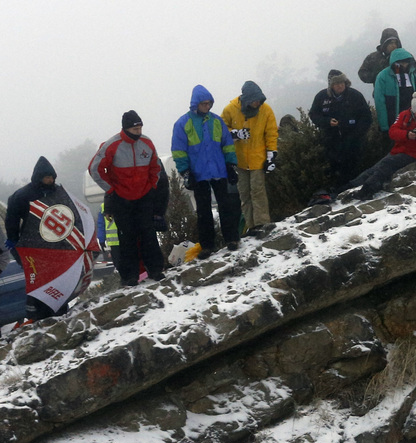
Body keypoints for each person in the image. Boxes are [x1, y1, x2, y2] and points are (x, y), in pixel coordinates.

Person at [5, 157, 99, 317]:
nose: (50, 180)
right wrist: (13, 240)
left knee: (58, 278)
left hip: (59, 246)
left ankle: (60, 310)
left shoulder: (59, 192)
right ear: (38, 177)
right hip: (33, 247)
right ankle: (38, 315)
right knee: (39, 281)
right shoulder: (22, 196)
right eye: (47, 177)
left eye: (52, 177)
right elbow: (12, 220)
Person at [89, 111, 165, 285]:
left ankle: (155, 270)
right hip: (121, 199)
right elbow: (95, 169)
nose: (138, 131)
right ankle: (129, 276)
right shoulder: (112, 145)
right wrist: (111, 189)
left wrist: (152, 186)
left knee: (149, 235)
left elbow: (156, 167)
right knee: (127, 237)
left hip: (144, 197)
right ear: (126, 128)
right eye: (135, 128)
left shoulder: (147, 143)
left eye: (140, 128)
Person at [171, 85, 240, 254]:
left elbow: (227, 144)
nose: (207, 106)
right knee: (203, 211)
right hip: (198, 173)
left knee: (226, 206)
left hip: (219, 171)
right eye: (204, 103)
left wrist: (231, 165)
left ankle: (231, 239)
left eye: (209, 103)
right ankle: (207, 245)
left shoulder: (217, 121)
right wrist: (185, 172)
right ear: (196, 103)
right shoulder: (182, 123)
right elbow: (178, 150)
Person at [344, 93, 416, 200]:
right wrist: (407, 135)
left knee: (386, 165)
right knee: (372, 170)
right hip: (398, 151)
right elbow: (393, 132)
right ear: (413, 111)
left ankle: (367, 190)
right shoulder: (404, 116)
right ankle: (345, 189)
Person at [222, 81, 278, 237]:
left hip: (258, 159)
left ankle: (262, 223)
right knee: (244, 194)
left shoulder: (266, 110)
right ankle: (251, 226)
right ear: (246, 99)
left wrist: (271, 154)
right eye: (254, 100)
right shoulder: (230, 109)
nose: (257, 103)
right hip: (239, 160)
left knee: (257, 191)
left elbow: (271, 133)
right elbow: (220, 128)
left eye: (259, 100)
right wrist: (236, 134)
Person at [308, 70, 372, 185]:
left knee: (354, 168)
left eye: (342, 82)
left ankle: (355, 191)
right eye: (336, 83)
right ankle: (338, 194)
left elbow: (366, 117)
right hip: (331, 141)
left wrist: (357, 134)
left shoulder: (355, 95)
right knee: (335, 170)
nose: (340, 85)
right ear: (331, 85)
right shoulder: (321, 97)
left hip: (354, 141)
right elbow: (313, 114)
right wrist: (327, 121)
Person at [372, 45, 416, 130]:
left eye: (406, 62)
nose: (404, 65)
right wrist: (384, 126)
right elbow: (380, 103)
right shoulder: (383, 76)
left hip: (413, 121)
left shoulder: (412, 75)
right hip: (393, 122)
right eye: (401, 62)